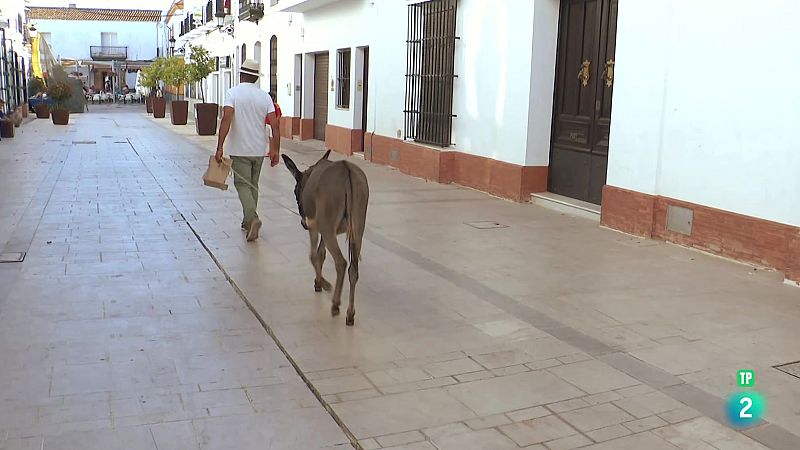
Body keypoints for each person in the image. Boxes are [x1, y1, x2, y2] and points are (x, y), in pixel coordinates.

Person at [216, 59, 281, 242]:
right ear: (255, 78)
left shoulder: (233, 93)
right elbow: (275, 125)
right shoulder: (265, 97)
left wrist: (220, 147)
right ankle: (247, 221)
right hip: (259, 149)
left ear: (242, 75)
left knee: (242, 185)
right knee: (253, 185)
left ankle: (252, 219)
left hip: (239, 149)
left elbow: (226, 119)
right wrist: (276, 149)